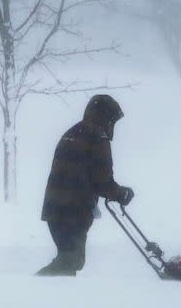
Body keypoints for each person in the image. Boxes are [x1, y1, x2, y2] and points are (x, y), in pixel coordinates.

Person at [36, 94, 134, 276]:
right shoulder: (97, 137)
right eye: (113, 120)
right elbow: (102, 180)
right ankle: (33, 289)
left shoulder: (74, 132)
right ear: (107, 117)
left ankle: (52, 296)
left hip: (55, 207)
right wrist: (121, 194)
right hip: (73, 210)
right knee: (70, 261)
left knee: (70, 260)